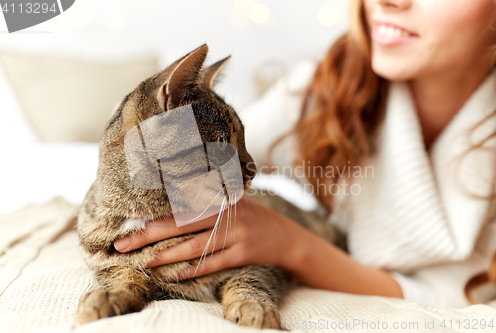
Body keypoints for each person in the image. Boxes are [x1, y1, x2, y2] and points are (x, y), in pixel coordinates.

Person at [113, 0, 496, 308]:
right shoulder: (323, 92)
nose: (388, 2)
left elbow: (453, 295)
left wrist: (288, 242)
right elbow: (202, 153)